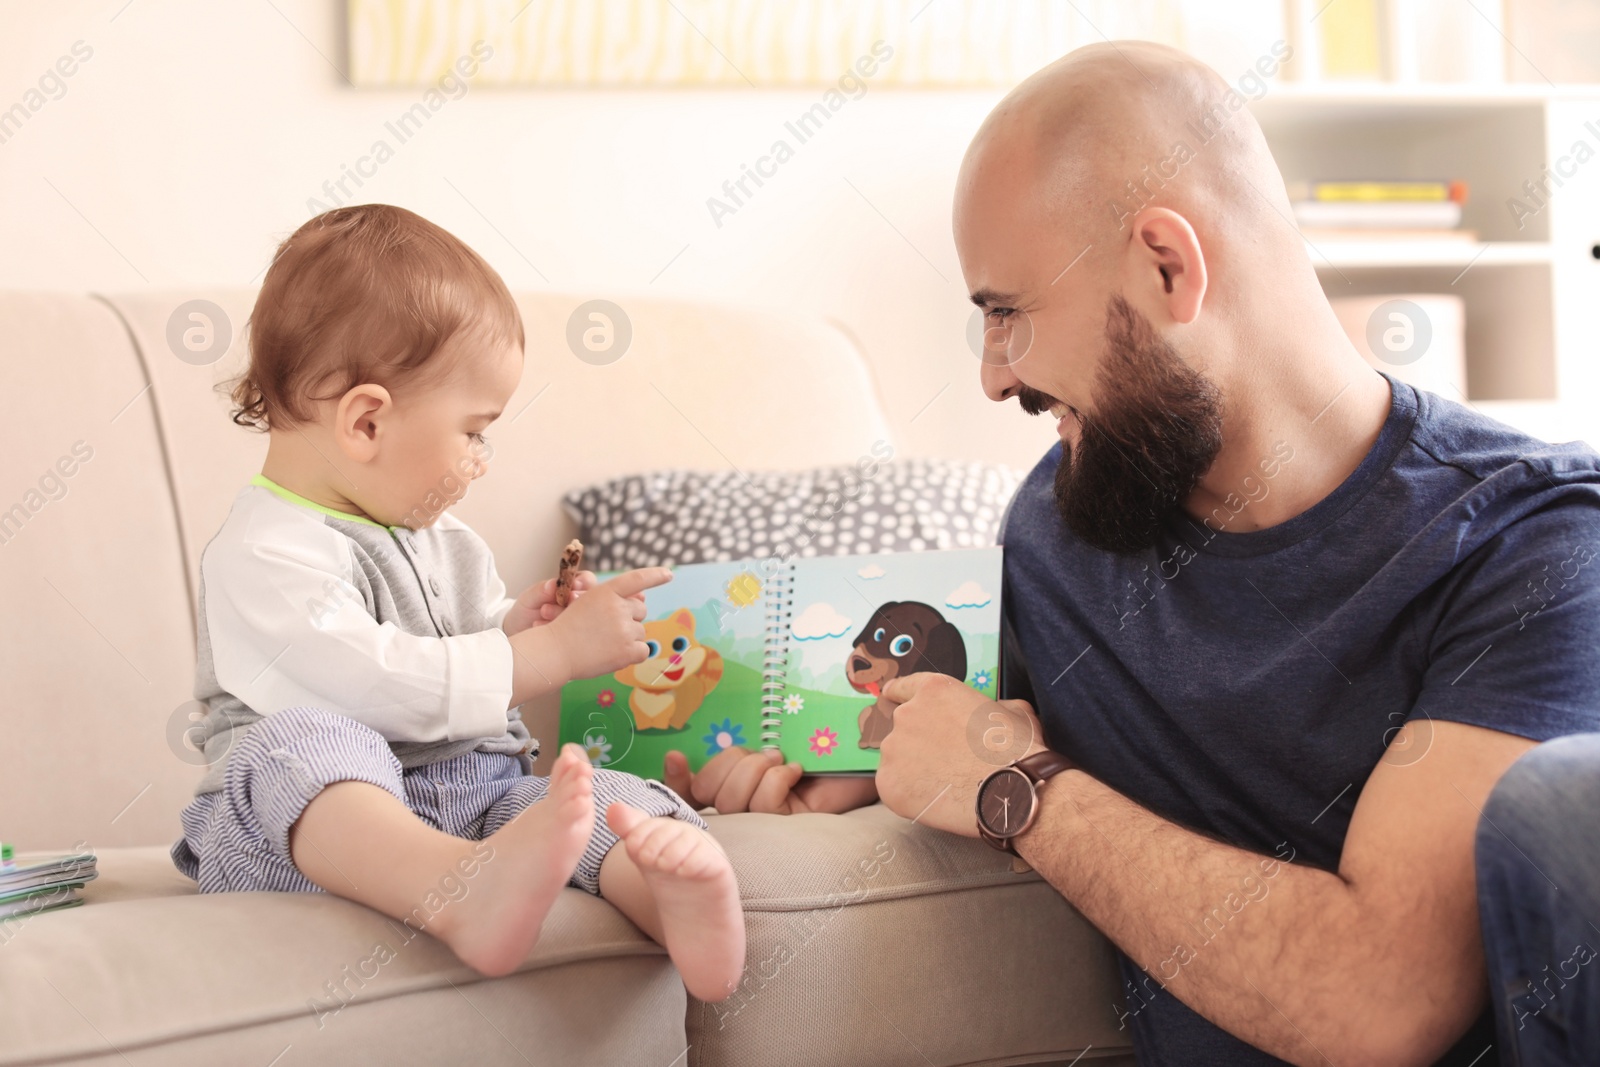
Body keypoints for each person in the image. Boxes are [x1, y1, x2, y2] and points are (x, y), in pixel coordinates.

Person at [667, 41, 1600, 1064]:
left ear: (1169, 266)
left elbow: (1378, 998)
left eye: (1005, 313)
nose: (991, 377)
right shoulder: (1059, 531)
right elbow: (944, 722)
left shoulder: (1535, 542)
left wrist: (1016, 785)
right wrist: (845, 765)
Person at [169, 204, 744, 1001]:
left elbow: (455, 649)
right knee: (298, 745)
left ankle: (668, 894)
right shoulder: (266, 549)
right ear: (366, 420)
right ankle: (454, 887)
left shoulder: (442, 537)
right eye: (474, 431)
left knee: (585, 796)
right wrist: (545, 656)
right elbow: (370, 684)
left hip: (472, 798)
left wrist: (519, 624)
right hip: (303, 832)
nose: (481, 459)